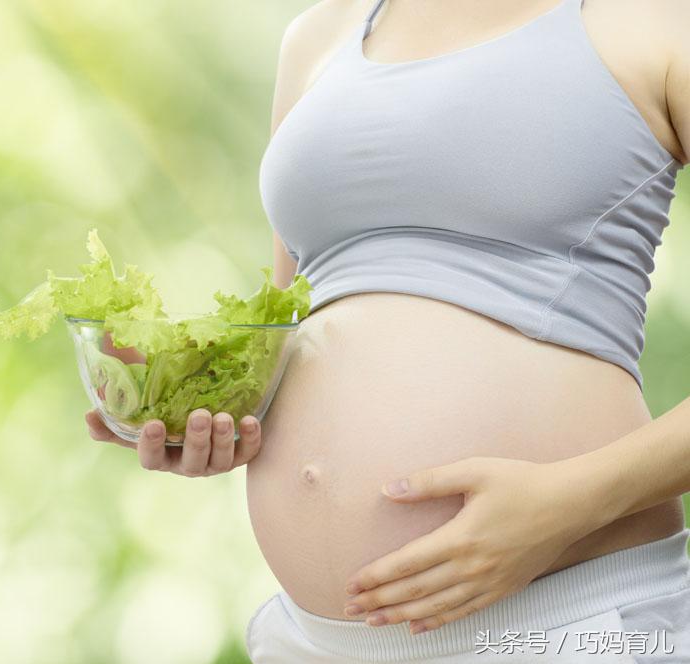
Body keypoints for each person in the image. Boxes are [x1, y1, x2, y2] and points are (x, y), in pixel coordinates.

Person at [88, 0, 690, 660]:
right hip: (313, 640)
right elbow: (292, 324)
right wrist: (200, 402)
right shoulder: (318, 37)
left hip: (568, 620)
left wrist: (569, 505)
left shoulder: (656, 22)